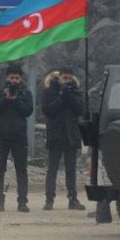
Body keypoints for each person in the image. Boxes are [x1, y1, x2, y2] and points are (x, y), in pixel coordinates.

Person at [0, 64, 34, 212]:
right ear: (7, 78)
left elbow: (28, 111)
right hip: (2, 136)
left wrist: (15, 99)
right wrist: (6, 100)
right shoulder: (0, 92)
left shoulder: (25, 93)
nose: (14, 81)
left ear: (21, 79)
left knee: (21, 169)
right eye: (12, 78)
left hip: (19, 137)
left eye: (17, 78)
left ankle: (22, 201)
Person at [42, 68, 86, 211]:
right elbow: (48, 110)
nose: (66, 81)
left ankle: (73, 199)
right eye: (64, 78)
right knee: (52, 169)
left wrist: (69, 96)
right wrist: (61, 97)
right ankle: (49, 200)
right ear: (59, 77)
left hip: (71, 135)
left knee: (71, 170)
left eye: (68, 78)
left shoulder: (75, 92)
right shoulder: (50, 91)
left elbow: (80, 110)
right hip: (56, 134)